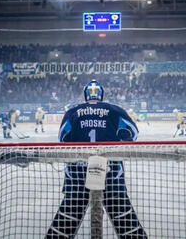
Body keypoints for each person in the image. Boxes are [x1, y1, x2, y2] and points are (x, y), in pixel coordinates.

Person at [48, 80, 146, 239]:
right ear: (101, 94)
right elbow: (132, 134)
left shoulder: (72, 112)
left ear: (85, 94)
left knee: (64, 225)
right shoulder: (115, 110)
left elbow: (63, 139)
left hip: (77, 177)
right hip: (111, 175)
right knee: (127, 224)